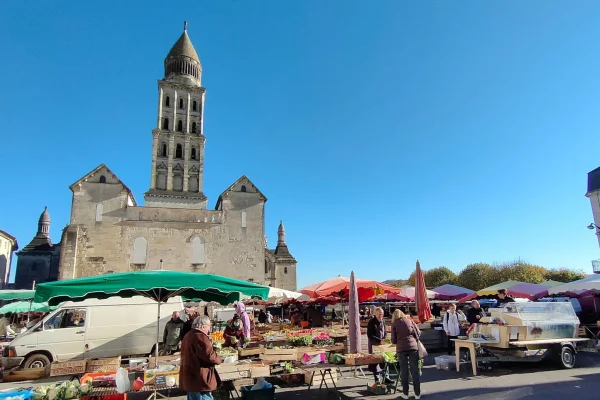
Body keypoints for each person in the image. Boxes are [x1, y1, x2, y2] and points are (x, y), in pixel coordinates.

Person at [180, 315, 223, 400]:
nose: (209, 330)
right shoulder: (200, 337)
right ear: (203, 326)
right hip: (200, 378)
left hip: (190, 377)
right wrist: (219, 359)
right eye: (208, 327)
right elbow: (209, 356)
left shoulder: (188, 335)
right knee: (203, 397)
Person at [391, 309, 421, 400]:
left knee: (404, 372)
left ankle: (405, 394)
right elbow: (418, 333)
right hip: (413, 348)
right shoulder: (410, 321)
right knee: (415, 371)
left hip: (401, 349)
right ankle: (417, 394)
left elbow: (393, 340)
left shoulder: (394, 324)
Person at [367, 307, 390, 384]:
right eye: (379, 314)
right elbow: (369, 335)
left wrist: (384, 338)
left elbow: (385, 332)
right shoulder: (371, 322)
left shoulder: (383, 321)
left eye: (382, 314)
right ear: (375, 314)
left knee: (384, 360)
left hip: (382, 345)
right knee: (375, 361)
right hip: (374, 344)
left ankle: (386, 377)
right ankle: (377, 379)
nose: (381, 315)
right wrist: (379, 340)